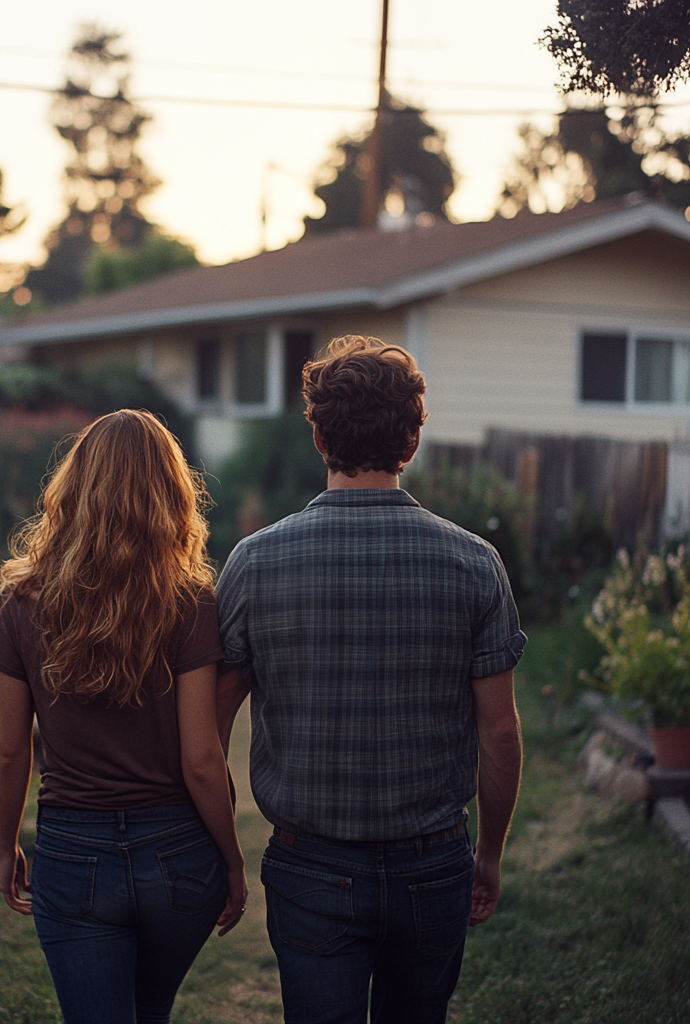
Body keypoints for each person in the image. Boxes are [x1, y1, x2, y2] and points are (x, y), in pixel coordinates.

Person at [215, 336, 525, 1024]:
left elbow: (205, 733)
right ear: (412, 440)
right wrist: (492, 854)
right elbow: (499, 731)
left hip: (308, 869)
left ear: (320, 436)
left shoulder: (253, 564)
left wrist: (222, 853)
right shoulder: (476, 565)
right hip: (435, 867)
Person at [0, 409, 247, 1024]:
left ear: (73, 489)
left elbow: (11, 753)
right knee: (150, 1008)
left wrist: (4, 847)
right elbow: (202, 762)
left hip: (74, 857)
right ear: (170, 495)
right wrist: (232, 863)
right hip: (180, 859)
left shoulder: (20, 601)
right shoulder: (189, 601)